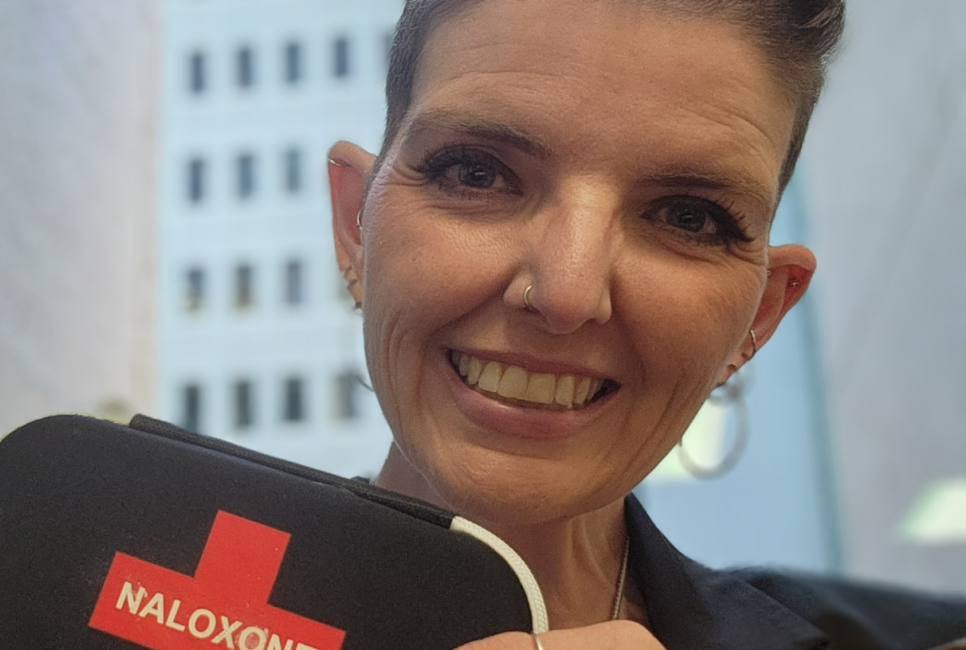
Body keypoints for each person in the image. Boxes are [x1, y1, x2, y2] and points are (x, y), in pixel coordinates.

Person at [323, 0, 966, 648]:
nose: (566, 293)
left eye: (688, 217)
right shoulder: (217, 575)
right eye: (476, 173)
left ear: (761, 313)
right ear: (356, 226)